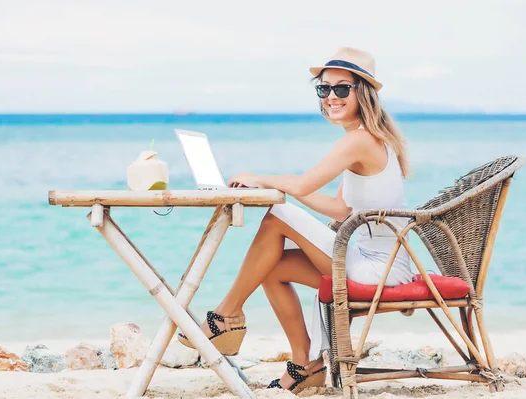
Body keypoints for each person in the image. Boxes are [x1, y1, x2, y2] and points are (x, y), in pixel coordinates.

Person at [177, 46, 415, 394]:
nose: (331, 96)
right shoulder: (365, 138)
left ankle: (226, 316)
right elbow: (339, 209)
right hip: (371, 259)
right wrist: (279, 186)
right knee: (271, 267)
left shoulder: (360, 140)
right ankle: (304, 364)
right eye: (324, 88)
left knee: (278, 216)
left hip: (379, 268)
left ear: (362, 92)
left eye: (341, 88)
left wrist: (265, 179)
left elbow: (304, 185)